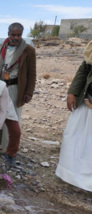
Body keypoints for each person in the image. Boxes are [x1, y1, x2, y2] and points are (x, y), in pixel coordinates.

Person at [0, 22, 36, 150]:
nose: (15, 38)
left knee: (11, 116)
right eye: (13, 35)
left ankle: (8, 147)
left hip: (14, 88)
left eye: (19, 35)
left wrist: (29, 92)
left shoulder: (28, 50)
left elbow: (32, 73)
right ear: (8, 34)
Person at [55, 41, 92, 192]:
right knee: (74, 137)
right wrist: (72, 92)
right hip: (85, 102)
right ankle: (70, 175)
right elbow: (83, 70)